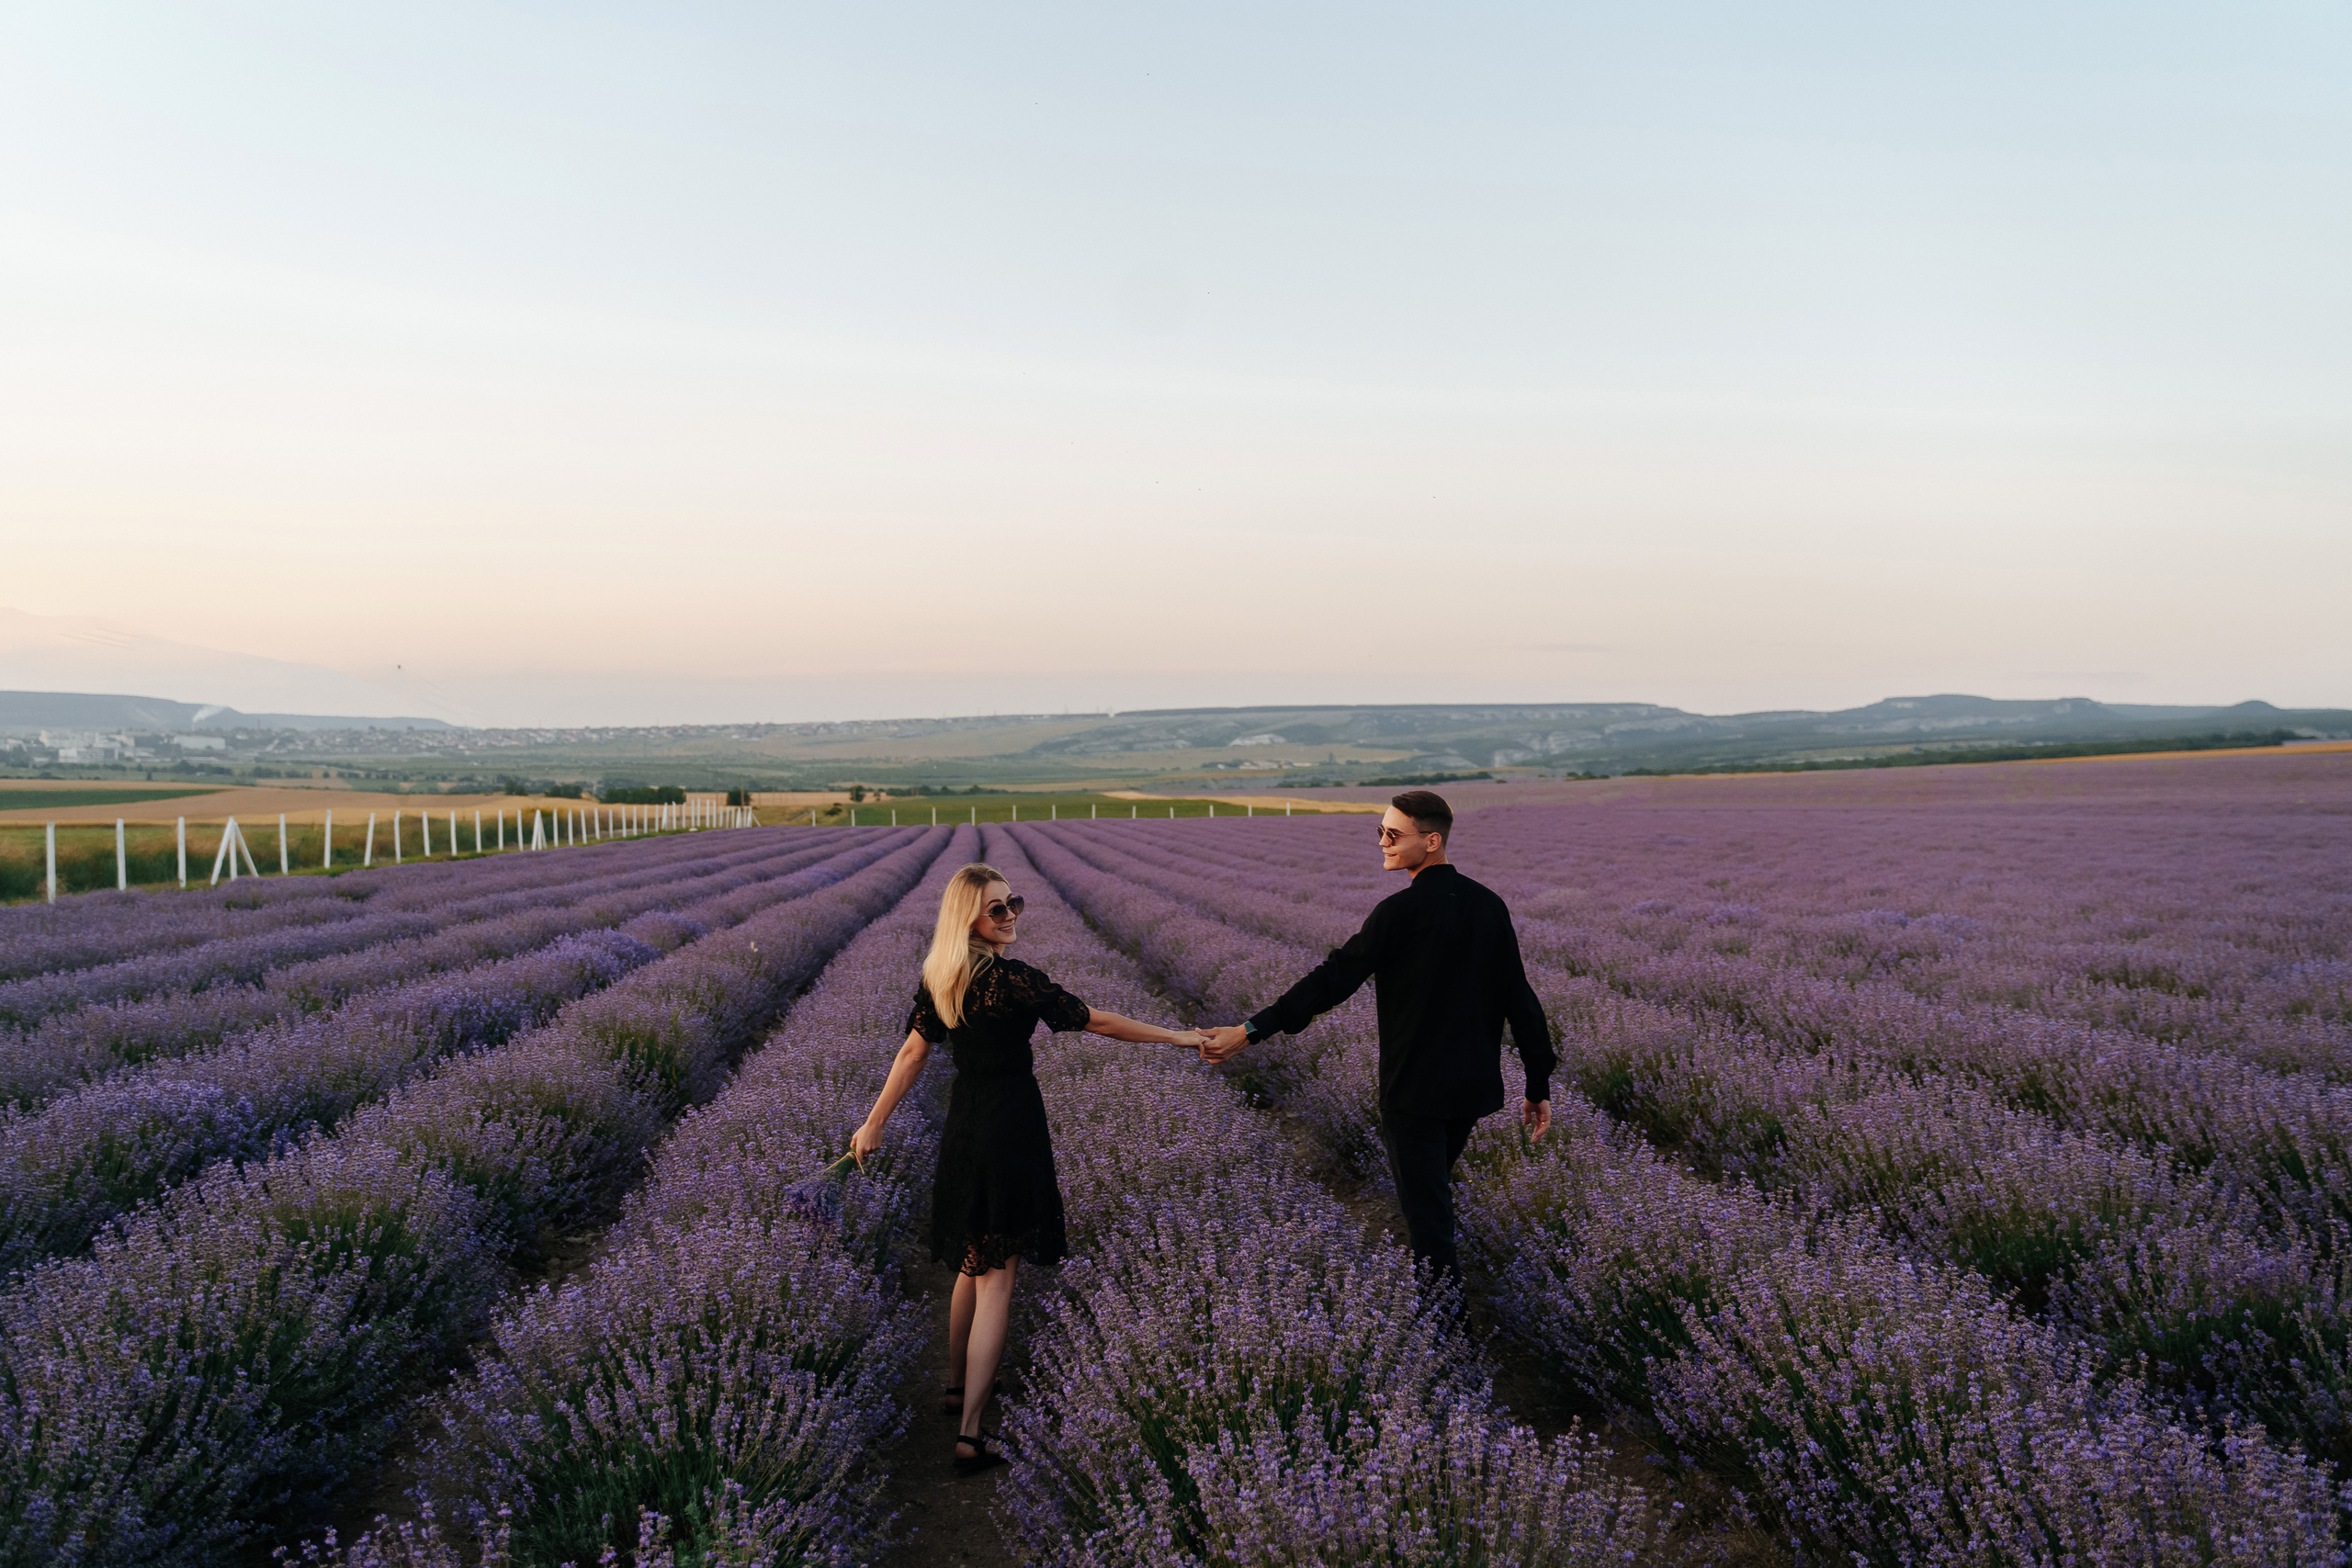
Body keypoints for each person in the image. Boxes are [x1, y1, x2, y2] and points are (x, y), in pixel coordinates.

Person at [852, 862, 1208, 1475]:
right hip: (1010, 1124)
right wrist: (1177, 1037)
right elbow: (1094, 1019)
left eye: (1014, 902)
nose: (1011, 913)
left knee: (973, 1256)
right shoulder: (1014, 980)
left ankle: (956, 1385)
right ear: (969, 917)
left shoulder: (941, 975)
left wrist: (875, 1120)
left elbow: (914, 1051)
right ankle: (970, 1434)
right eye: (998, 907)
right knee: (998, 1277)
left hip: (966, 1123)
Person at [1201, 789, 1554, 1283]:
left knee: (1429, 1221)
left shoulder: (1398, 914)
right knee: (1432, 1200)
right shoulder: (1489, 906)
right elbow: (1523, 1002)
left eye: (1393, 834)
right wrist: (1538, 1085)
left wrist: (1250, 1030)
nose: (1382, 843)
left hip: (1413, 1093)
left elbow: (1331, 981)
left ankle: (1450, 1340)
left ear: (1431, 841)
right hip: (1469, 1092)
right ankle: (1445, 1324)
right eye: (1380, 832)